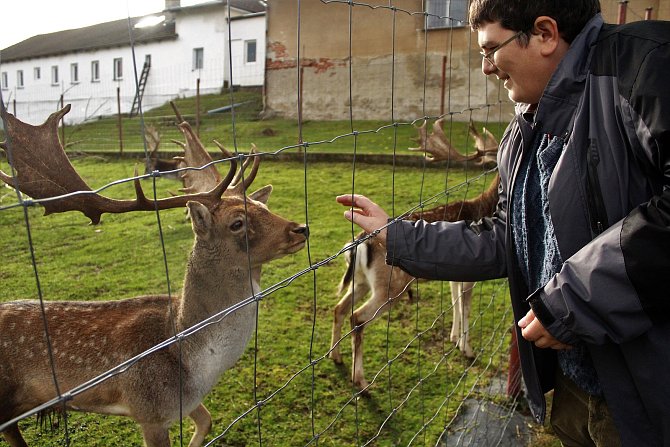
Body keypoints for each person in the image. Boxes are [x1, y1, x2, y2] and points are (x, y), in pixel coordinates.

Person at [336, 1, 670, 445]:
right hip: (576, 387)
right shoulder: (525, 130)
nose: (487, 69)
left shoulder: (649, 69)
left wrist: (575, 300)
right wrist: (397, 238)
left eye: (491, 49)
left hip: (650, 391)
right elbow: (504, 235)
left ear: (546, 34)